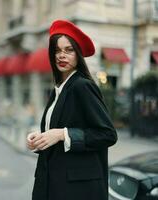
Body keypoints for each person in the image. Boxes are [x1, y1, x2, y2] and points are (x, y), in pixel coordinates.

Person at [26, 19, 118, 200]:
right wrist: (41, 138)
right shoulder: (59, 89)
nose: (61, 55)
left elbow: (107, 134)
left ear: (78, 55)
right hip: (52, 182)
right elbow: (62, 129)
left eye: (68, 50)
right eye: (57, 50)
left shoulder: (81, 86)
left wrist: (61, 134)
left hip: (76, 190)